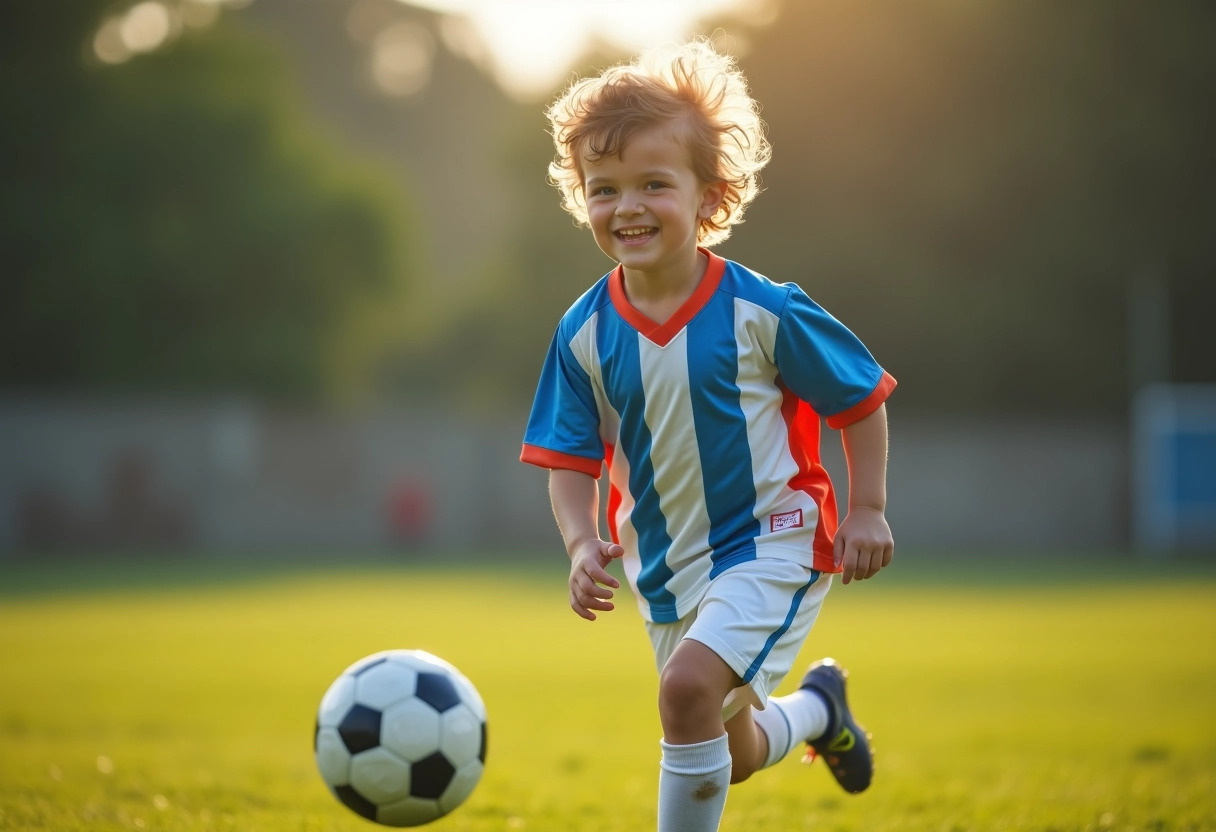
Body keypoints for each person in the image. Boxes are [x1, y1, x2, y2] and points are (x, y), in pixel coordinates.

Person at [520, 38, 896, 832]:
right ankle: (821, 713)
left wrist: (867, 508)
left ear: (709, 198)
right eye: (603, 188)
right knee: (732, 743)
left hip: (772, 540)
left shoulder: (763, 311)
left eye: (654, 184)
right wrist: (582, 544)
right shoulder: (583, 330)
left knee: (684, 691)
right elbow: (567, 457)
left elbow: (860, 398)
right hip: (666, 566)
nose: (626, 206)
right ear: (580, 198)